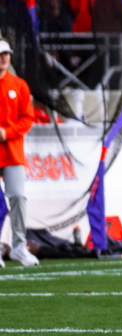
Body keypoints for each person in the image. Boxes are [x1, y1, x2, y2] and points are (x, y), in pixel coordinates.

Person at [0, 39, 38, 266]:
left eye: (6, 54)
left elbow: (28, 118)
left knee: (18, 197)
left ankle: (18, 247)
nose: (4, 57)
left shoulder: (19, 85)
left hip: (12, 151)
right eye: (1, 54)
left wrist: (7, 133)